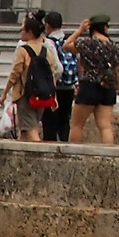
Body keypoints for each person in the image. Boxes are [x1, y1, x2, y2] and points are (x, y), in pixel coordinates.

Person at [1, 11, 58, 142]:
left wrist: (5, 93)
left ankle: (40, 157)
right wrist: (54, 95)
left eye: (23, 30)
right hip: (42, 95)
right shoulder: (46, 50)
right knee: (25, 130)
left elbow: (15, 73)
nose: (21, 33)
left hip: (25, 96)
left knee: (32, 130)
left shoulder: (23, 50)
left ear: (30, 32)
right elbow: (52, 74)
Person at [69, 15, 119, 145]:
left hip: (89, 86)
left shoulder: (87, 43)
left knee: (77, 125)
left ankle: (74, 154)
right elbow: (117, 70)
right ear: (104, 27)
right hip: (108, 87)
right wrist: (117, 87)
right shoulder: (113, 46)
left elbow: (67, 45)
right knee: (105, 126)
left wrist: (80, 30)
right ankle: (107, 155)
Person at [41, 11, 75, 143]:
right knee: (65, 120)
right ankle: (65, 145)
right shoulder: (68, 41)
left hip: (54, 87)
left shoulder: (48, 42)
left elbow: (57, 68)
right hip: (69, 87)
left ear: (47, 25)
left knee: (49, 122)